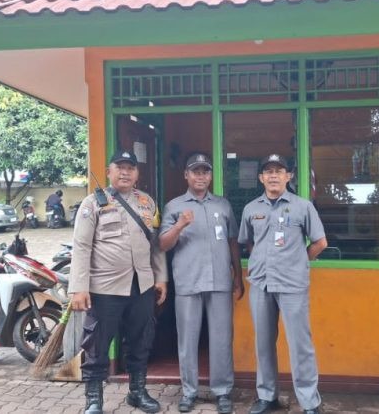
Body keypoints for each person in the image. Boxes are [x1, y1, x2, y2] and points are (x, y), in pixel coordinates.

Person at [68, 150, 168, 414]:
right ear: (109, 171)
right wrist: (79, 288)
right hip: (105, 288)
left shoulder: (147, 203)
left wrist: (161, 278)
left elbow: (156, 245)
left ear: (137, 173)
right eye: (120, 167)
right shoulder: (92, 203)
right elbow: (81, 246)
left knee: (140, 341)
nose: (125, 172)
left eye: (130, 168)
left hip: (142, 286)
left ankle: (137, 392)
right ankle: (93, 400)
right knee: (97, 344)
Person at [238, 154, 328, 414]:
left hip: (292, 285)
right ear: (261, 178)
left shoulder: (303, 206)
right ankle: (267, 396)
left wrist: (299, 261)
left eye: (279, 171)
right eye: (268, 171)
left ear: (289, 176)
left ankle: (309, 402)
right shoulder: (251, 209)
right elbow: (248, 242)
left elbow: (320, 242)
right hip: (261, 283)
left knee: (300, 345)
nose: (274, 176)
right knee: (264, 344)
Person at [159, 153, 244, 414]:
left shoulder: (223, 205)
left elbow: (232, 241)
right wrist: (180, 225)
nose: (200, 176)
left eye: (205, 171)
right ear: (186, 175)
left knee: (221, 339)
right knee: (187, 340)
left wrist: (238, 276)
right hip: (188, 281)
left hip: (220, 281)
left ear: (210, 176)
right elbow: (163, 244)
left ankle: (223, 391)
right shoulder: (174, 206)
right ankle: (189, 392)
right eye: (195, 171)